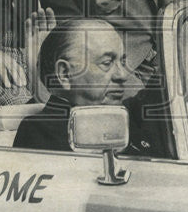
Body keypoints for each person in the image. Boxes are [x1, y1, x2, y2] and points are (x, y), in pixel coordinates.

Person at [12, 18, 167, 157]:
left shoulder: (132, 114)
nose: (123, 75)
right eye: (107, 63)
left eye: (123, 62)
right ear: (65, 74)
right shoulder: (39, 132)